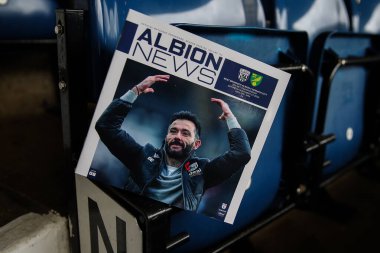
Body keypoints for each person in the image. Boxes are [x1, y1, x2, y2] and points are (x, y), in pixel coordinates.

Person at [95, 74, 251, 211]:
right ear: (166, 137)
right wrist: (134, 92)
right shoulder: (142, 158)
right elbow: (106, 127)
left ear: (196, 144)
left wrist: (230, 118)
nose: (178, 137)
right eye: (173, 131)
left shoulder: (203, 174)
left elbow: (241, 154)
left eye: (185, 133)